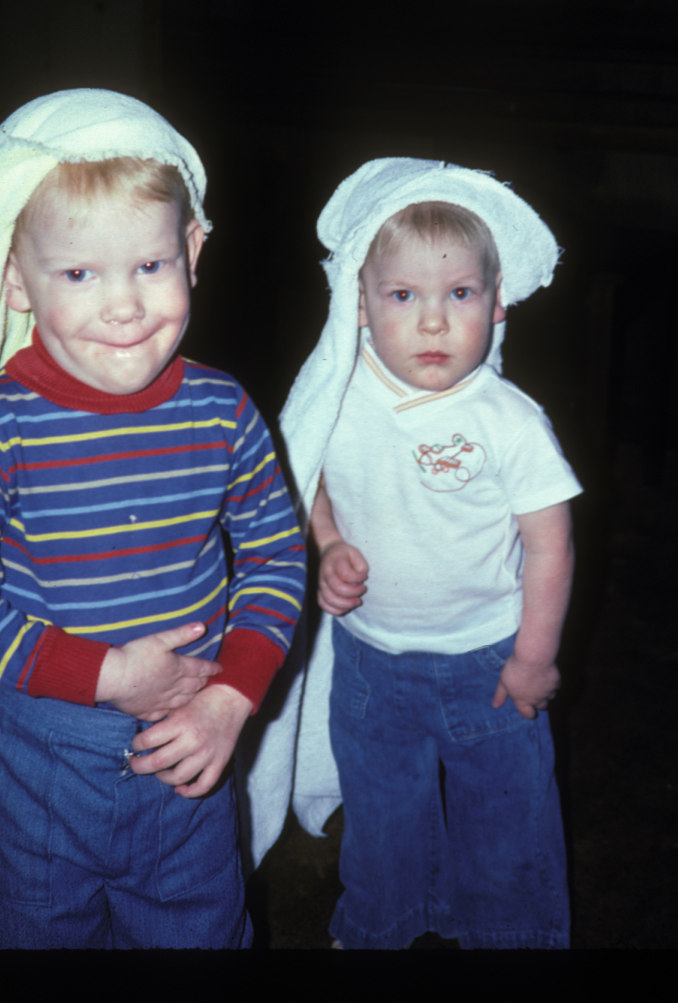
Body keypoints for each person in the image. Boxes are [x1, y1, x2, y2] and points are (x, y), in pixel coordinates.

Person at [0, 89, 305, 949]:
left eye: (150, 266)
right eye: (78, 273)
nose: (122, 305)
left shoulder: (224, 410)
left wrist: (233, 697)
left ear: (192, 249)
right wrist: (108, 674)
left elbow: (275, 557)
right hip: (43, 769)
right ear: (15, 276)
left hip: (190, 754)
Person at [245, 158, 580, 949]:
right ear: (359, 304)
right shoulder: (344, 395)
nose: (434, 322)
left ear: (496, 305)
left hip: (488, 663)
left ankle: (512, 935)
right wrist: (327, 543)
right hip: (371, 663)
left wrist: (535, 655)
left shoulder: (507, 419)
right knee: (382, 817)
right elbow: (309, 474)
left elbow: (550, 544)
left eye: (458, 294)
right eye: (404, 295)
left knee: (505, 823)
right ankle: (380, 927)